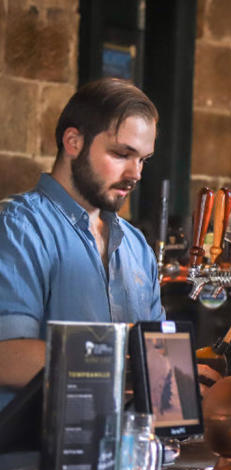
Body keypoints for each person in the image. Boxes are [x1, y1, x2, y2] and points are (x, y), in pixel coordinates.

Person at [0, 78, 214, 409]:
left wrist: (184, 381)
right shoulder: (19, 226)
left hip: (127, 452)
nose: (135, 173)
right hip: (34, 456)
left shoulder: (137, 246)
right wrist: (134, 365)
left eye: (143, 159)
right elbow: (8, 355)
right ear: (73, 142)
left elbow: (152, 352)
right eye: (121, 154)